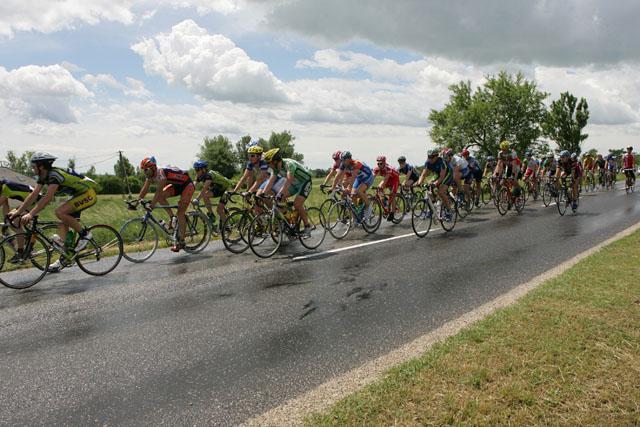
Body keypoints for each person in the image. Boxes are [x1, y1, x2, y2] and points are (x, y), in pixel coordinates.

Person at [10, 153, 98, 270]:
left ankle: (85, 235)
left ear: (41, 166)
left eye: (34, 166)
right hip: (76, 195)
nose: (32, 168)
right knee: (62, 225)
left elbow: (47, 198)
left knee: (60, 212)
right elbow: (33, 195)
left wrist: (31, 214)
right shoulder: (43, 176)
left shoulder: (54, 176)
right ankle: (65, 257)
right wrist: (18, 212)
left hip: (87, 194)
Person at [138, 157, 195, 252]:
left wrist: (152, 205)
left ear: (152, 168)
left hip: (187, 184)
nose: (145, 172)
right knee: (161, 198)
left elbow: (158, 192)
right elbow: (145, 189)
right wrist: (137, 201)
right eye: (143, 170)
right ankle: (173, 217)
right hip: (177, 185)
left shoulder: (161, 174)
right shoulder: (150, 176)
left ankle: (181, 242)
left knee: (180, 213)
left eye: (146, 170)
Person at [262, 148, 313, 236]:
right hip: (294, 184)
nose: (268, 165)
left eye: (268, 163)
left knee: (297, 204)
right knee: (278, 200)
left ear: (275, 161)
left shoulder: (289, 164)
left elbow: (289, 180)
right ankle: (289, 219)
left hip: (304, 182)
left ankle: (307, 226)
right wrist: (263, 193)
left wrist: (280, 193)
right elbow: (271, 181)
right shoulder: (276, 168)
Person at [0, 179, 39, 263]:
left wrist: (9, 221)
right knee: (10, 221)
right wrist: (6, 220)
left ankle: (20, 252)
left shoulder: (6, 187)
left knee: (15, 222)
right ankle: (26, 243)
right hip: (30, 200)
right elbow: (5, 204)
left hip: (34, 200)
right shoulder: (3, 186)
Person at [330, 151, 374, 220]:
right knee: (353, 195)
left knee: (359, 191)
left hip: (368, 176)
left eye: (344, 160)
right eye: (342, 160)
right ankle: (357, 215)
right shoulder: (343, 164)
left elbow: (353, 178)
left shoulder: (356, 163)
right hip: (359, 178)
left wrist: (349, 188)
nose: (343, 162)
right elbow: (337, 176)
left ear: (349, 158)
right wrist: (332, 187)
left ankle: (369, 206)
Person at [192, 160, 233, 233]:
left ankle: (227, 226)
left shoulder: (209, 176)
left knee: (219, 210)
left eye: (197, 170)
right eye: (195, 169)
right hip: (217, 189)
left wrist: (197, 199)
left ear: (203, 169)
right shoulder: (200, 175)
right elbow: (193, 185)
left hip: (226, 189)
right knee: (205, 196)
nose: (196, 171)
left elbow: (204, 189)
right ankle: (211, 214)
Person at [416, 148, 454, 218]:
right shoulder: (428, 162)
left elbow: (442, 177)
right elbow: (423, 175)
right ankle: (432, 208)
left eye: (432, 157)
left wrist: (435, 183)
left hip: (447, 174)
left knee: (441, 192)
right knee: (429, 188)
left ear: (436, 156)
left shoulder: (441, 162)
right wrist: (419, 183)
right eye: (429, 156)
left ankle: (449, 210)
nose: (430, 158)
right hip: (438, 174)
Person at [373, 156, 401, 222]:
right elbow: (372, 178)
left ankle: (392, 213)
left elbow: (385, 180)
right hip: (388, 179)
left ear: (384, 163)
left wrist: (381, 187)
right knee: (379, 189)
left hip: (394, 180)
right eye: (378, 163)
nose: (379, 165)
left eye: (381, 163)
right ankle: (385, 202)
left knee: (392, 195)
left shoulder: (388, 169)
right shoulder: (377, 169)